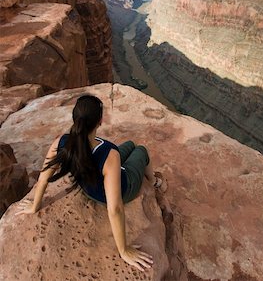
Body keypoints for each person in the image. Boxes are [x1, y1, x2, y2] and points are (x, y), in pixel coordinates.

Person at [16, 95, 164, 272]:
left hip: (89, 188)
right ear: (100, 121)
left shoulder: (62, 142)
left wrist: (35, 205)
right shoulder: (109, 154)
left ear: (75, 118)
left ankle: (144, 172)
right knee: (141, 150)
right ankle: (154, 181)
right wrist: (123, 250)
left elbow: (44, 176)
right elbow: (115, 208)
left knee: (130, 144)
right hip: (124, 187)